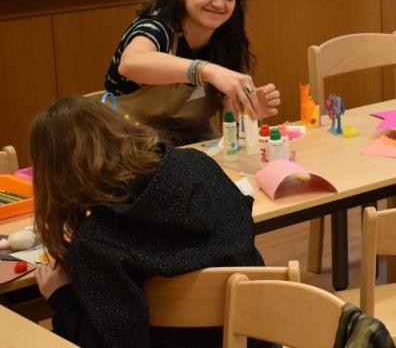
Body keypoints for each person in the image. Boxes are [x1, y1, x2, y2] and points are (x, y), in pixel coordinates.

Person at [32, 96, 267, 348]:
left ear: (54, 175)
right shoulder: (199, 165)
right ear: (118, 130)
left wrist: (63, 297)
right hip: (257, 335)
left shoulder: (97, 244)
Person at [102, 0, 281, 146]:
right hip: (131, 147)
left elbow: (233, 131)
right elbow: (131, 64)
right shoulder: (156, 27)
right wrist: (206, 70)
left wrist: (246, 112)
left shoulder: (227, 40)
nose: (219, 3)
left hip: (193, 146)